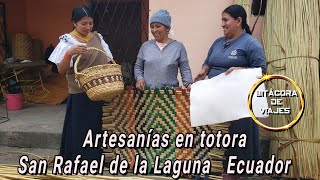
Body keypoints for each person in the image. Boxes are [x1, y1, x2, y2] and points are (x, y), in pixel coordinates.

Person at [194, 4, 267, 180]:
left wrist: (241, 70)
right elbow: (208, 61)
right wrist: (204, 71)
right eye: (222, 20)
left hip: (238, 106)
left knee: (236, 144)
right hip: (216, 103)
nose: (223, 24)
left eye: (226, 20)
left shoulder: (250, 43)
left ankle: (233, 175)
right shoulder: (218, 43)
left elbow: (261, 71)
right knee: (216, 144)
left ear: (238, 21)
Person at [48, 5, 113, 161]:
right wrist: (69, 53)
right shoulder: (67, 41)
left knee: (96, 127)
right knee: (80, 128)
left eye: (90, 23)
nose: (88, 27)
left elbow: (109, 59)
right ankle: (79, 160)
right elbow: (61, 70)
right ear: (74, 23)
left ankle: (94, 159)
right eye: (84, 23)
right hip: (79, 93)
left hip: (99, 89)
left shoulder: (97, 38)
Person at [134, 9, 193, 90]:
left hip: (169, 95)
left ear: (167, 28)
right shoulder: (146, 46)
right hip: (148, 94)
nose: (154, 30)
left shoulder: (178, 47)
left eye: (158, 26)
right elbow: (138, 67)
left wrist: (189, 85)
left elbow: (185, 70)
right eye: (152, 27)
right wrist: (139, 78)